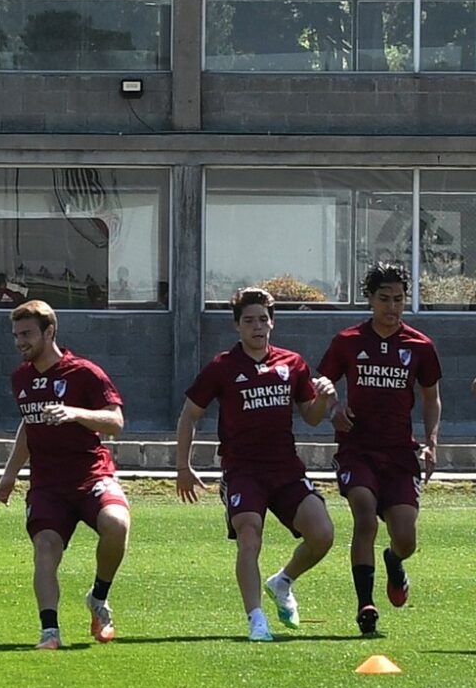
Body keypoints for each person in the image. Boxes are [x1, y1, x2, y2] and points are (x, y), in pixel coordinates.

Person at [174, 287, 337, 641]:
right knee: (249, 536)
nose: (257, 326)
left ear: (272, 323)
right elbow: (189, 415)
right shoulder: (222, 367)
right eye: (249, 320)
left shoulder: (292, 363)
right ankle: (256, 620)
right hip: (243, 471)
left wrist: (325, 399)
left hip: (286, 470)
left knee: (323, 535)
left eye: (263, 319)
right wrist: (183, 467)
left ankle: (283, 581)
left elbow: (311, 417)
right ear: (237, 326)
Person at [0, 300, 130, 650]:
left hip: (90, 473)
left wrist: (74, 412)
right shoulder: (21, 377)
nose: (20, 342)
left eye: (27, 334)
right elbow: (29, 424)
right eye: (16, 335)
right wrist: (9, 475)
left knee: (117, 524)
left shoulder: (84, 373)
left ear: (49, 331)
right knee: (46, 547)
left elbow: (116, 421)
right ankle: (50, 633)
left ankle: (98, 598)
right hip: (48, 486)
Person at [315, 263, 441, 637]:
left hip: (400, 454)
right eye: (383, 299)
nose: (391, 307)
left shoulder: (420, 346)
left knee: (405, 538)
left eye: (399, 299)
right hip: (358, 450)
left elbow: (431, 397)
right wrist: (334, 408)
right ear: (369, 300)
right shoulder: (348, 341)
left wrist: (432, 441)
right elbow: (321, 379)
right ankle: (365, 605)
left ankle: (393, 560)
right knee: (365, 517)